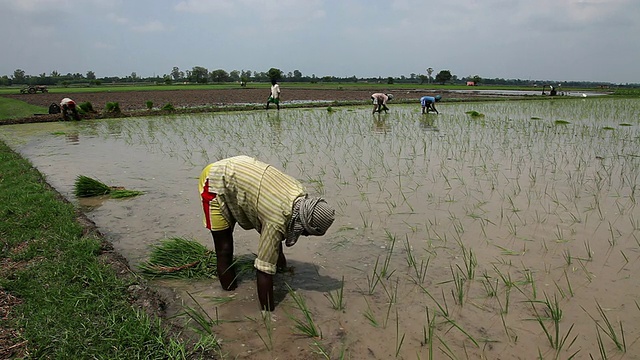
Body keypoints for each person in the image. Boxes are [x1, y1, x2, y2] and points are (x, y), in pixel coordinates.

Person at [199, 155, 335, 311]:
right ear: (303, 225)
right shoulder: (276, 221)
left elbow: (279, 233)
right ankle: (229, 295)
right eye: (307, 233)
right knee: (224, 249)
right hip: (215, 180)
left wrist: (283, 271)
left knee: (272, 238)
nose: (305, 236)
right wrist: (269, 316)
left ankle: (272, 274)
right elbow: (263, 271)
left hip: (240, 170)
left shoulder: (298, 195)